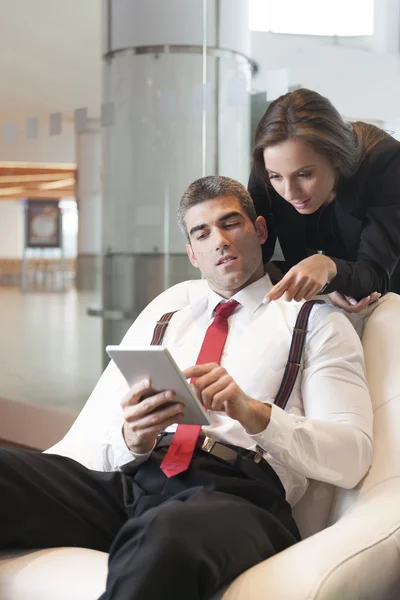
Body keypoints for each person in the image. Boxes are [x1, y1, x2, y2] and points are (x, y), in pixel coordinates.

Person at [1, 176, 373, 600]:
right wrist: (133, 437)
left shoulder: (315, 323)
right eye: (203, 233)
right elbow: (103, 447)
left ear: (261, 230)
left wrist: (256, 413)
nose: (220, 241)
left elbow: (352, 455)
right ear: (192, 253)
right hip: (138, 482)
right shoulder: (169, 319)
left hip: (236, 495)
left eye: (231, 224)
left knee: (164, 534)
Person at [248, 88, 400, 313]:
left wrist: (328, 268)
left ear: (336, 158)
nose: (289, 193)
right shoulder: (269, 170)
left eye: (304, 175)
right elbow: (254, 255)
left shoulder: (385, 162)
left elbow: (376, 274)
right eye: (276, 176)